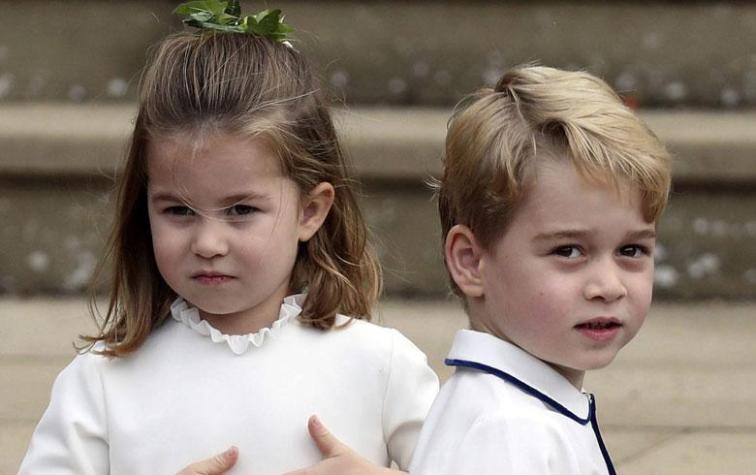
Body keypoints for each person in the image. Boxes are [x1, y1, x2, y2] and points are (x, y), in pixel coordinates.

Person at [18, 3, 438, 474]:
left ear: (310, 211)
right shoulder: (101, 383)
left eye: (241, 210)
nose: (208, 243)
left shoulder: (379, 366)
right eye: (179, 210)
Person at [408, 65, 672, 474]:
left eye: (631, 249)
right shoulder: (511, 431)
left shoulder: (518, 408)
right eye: (569, 251)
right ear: (471, 261)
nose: (608, 286)